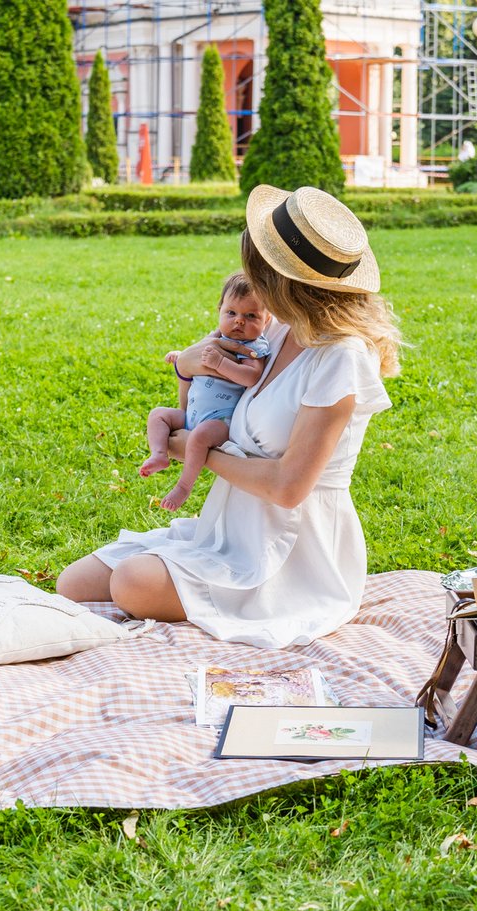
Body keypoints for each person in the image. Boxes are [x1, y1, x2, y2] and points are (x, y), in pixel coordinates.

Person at [57, 185, 402, 648]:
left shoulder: (340, 358)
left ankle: (232, 588)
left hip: (292, 551)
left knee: (131, 583)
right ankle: (192, 565)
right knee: (74, 584)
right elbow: (201, 376)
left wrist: (193, 452)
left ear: (281, 280)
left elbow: (287, 488)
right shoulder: (280, 332)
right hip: (228, 524)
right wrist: (186, 366)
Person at [141, 273, 271, 512]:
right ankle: (159, 453)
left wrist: (220, 364)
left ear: (267, 319)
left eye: (250, 316)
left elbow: (251, 376)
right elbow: (197, 360)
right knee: (158, 415)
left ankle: (183, 486)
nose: (239, 321)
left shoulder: (253, 347)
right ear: (220, 310)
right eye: (231, 313)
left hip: (220, 419)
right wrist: (182, 357)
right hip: (191, 413)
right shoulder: (216, 337)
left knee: (199, 437)